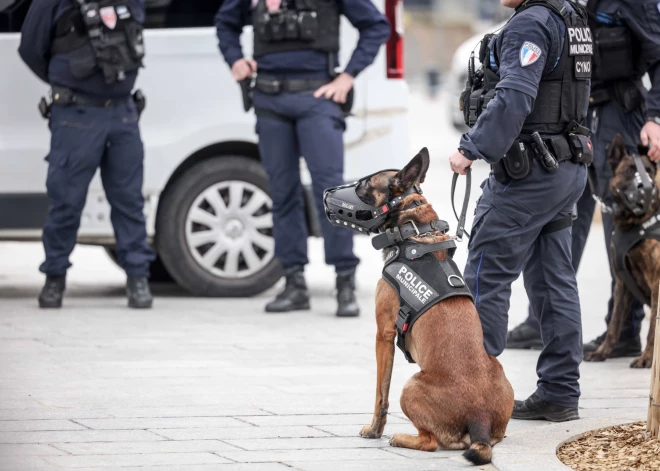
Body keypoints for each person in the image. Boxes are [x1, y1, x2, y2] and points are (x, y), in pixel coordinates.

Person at [449, 0, 593, 421]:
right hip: (566, 169)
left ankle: (471, 397)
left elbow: (515, 96)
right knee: (554, 280)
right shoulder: (572, 17)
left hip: (529, 173)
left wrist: (471, 147)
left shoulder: (530, 24)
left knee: (485, 273)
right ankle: (560, 392)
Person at [215, 0, 390, 316]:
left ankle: (344, 282)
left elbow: (376, 26)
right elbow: (225, 23)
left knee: (332, 192)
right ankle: (294, 283)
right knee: (283, 193)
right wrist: (235, 60)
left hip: (317, 98)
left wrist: (347, 76)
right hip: (269, 100)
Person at [506, 0, 660, 356]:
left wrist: (655, 117)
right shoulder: (561, 4)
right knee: (562, 219)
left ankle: (621, 332)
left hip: (619, 117)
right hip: (575, 116)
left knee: (622, 227)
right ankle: (541, 321)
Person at [19, 0, 155, 309]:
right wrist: (64, 80)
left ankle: (138, 277)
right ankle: (55, 277)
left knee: (129, 200)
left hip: (123, 113)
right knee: (66, 202)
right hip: (75, 113)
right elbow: (30, 49)